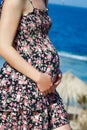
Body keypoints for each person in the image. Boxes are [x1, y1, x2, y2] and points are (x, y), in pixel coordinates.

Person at [0, 0, 71, 129]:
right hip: (22, 88)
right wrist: (39, 77)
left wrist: (53, 71)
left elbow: (37, 39)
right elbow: (3, 45)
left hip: (46, 90)